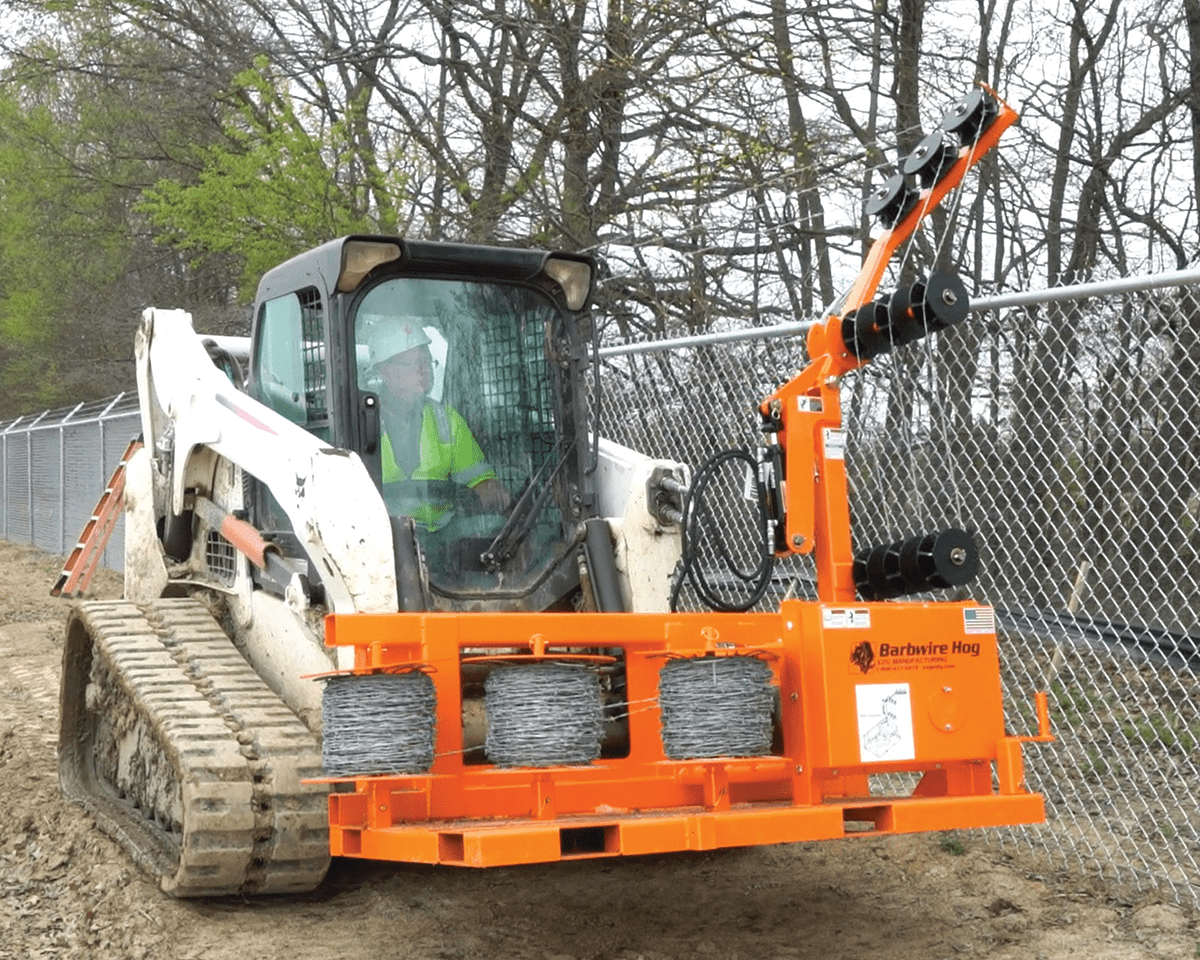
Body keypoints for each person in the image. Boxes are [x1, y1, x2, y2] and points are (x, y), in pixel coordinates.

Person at [366, 322, 510, 534]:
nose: (425, 371)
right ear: (386, 372)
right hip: (376, 541)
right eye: (415, 364)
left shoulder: (447, 420)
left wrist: (490, 491)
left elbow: (483, 484)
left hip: (443, 541)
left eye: (427, 362)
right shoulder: (361, 421)